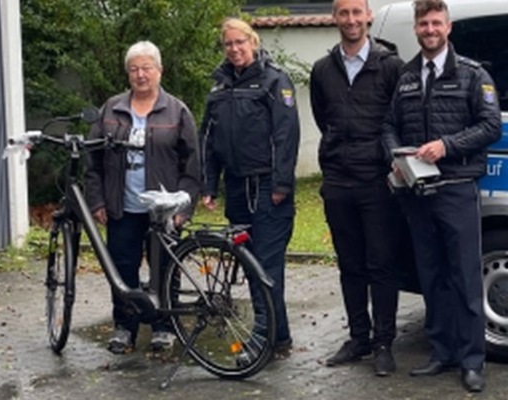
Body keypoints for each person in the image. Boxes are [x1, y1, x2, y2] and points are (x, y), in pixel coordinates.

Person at [382, 0, 501, 392]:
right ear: (417, 29)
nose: (430, 29)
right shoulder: (406, 77)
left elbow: (489, 126)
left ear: (448, 27)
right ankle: (442, 352)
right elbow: (389, 125)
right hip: (418, 193)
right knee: (431, 276)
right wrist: (396, 155)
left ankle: (472, 361)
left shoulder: (472, 74)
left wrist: (446, 146)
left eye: (436, 23)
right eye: (424, 23)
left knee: (465, 277)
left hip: (456, 188)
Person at [84, 40, 201, 354]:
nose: (140, 75)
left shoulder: (177, 110)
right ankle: (125, 327)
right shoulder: (112, 109)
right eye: (134, 69)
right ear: (128, 74)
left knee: (164, 270)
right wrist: (97, 201)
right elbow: (92, 160)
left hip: (164, 211)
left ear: (159, 71)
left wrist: (184, 207)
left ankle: (164, 327)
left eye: (146, 68)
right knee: (123, 270)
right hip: (122, 207)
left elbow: (192, 163)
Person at [309, 0, 405, 376]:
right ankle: (358, 338)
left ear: (368, 16)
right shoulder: (322, 70)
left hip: (377, 181)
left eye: (356, 12)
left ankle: (384, 343)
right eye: (343, 13)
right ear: (334, 18)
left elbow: (399, 117)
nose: (351, 20)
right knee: (349, 265)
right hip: (337, 181)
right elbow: (323, 118)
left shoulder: (390, 66)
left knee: (381, 265)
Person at [200, 17, 299, 358]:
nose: (234, 49)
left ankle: (262, 341)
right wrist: (209, 184)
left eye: (240, 42)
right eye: (228, 44)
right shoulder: (219, 87)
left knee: (265, 268)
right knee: (251, 264)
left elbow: (287, 135)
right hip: (236, 188)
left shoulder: (274, 80)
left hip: (268, 187)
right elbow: (208, 140)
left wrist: (281, 183)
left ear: (253, 42)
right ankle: (278, 337)